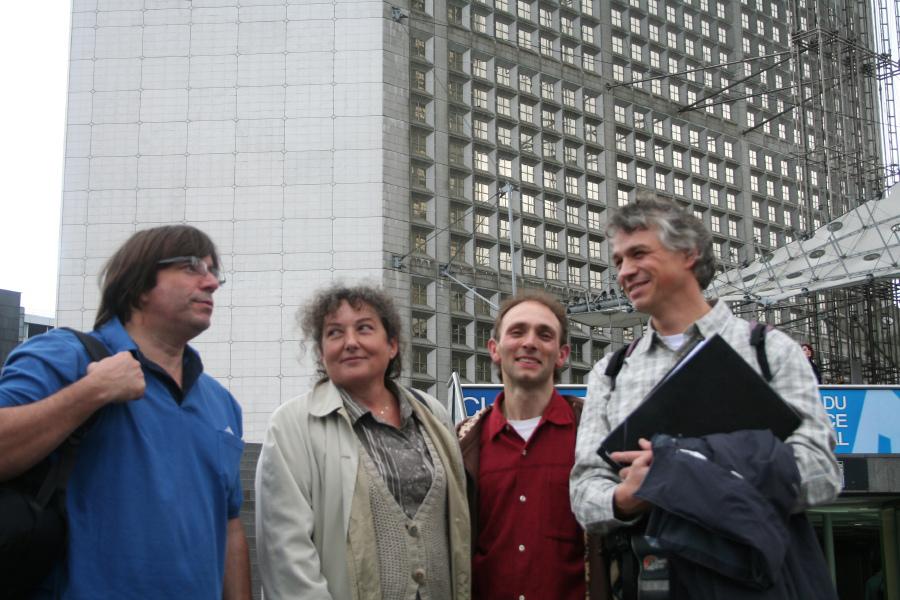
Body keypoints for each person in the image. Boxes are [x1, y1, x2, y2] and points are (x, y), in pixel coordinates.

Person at [570, 194, 841, 595]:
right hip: (654, 582)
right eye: (619, 261)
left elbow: (822, 471)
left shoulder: (769, 350)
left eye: (639, 254)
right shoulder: (610, 374)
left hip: (765, 580)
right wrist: (626, 498)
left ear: (689, 253)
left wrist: (680, 472)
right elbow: (585, 493)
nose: (625, 272)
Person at [0, 225, 250, 599]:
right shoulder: (67, 355)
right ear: (139, 285)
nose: (211, 282)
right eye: (193, 267)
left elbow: (230, 526)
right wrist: (91, 391)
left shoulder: (222, 403)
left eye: (215, 272)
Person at [255, 284, 470, 600]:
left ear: (392, 345)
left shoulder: (433, 415)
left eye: (365, 329)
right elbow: (286, 555)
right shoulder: (291, 425)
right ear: (320, 351)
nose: (351, 342)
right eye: (334, 333)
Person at [458, 290, 604, 599]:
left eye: (544, 334)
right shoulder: (463, 443)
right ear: (495, 350)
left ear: (562, 354)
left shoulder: (594, 431)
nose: (529, 342)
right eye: (517, 331)